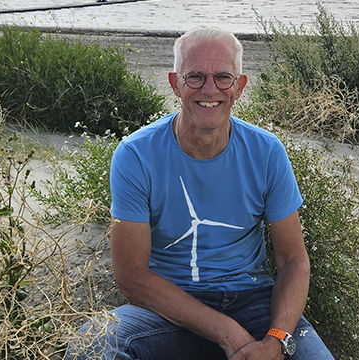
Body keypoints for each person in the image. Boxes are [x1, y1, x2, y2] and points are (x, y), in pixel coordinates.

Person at [67, 25, 334, 360]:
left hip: (255, 304)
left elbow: (293, 260)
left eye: (223, 77)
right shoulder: (136, 155)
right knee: (93, 341)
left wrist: (277, 340)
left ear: (239, 86)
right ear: (175, 83)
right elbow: (131, 276)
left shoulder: (266, 152)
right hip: (170, 309)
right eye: (195, 76)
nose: (210, 89)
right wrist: (226, 331)